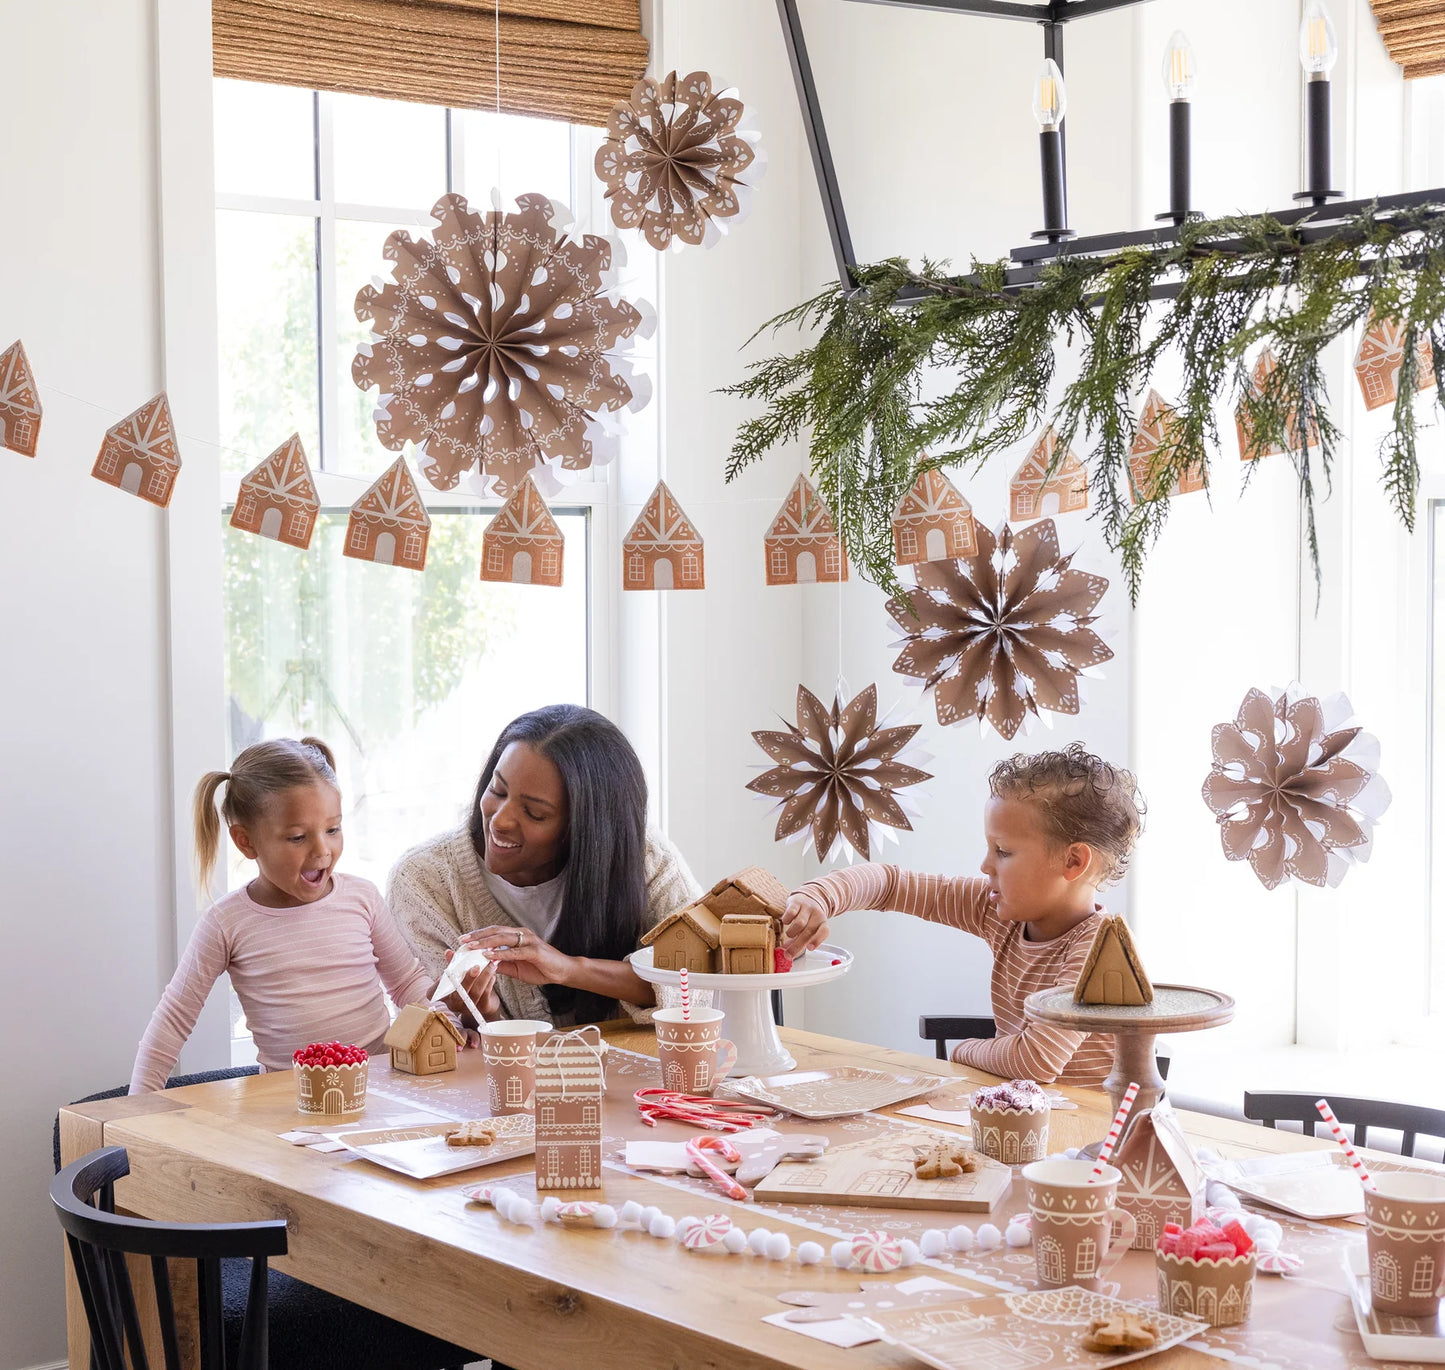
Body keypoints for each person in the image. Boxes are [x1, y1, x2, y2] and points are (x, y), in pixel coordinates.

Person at [782, 743, 1145, 1086]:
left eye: (1003, 851)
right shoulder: (999, 911)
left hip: (1086, 1133)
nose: (986, 865)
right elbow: (889, 884)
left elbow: (1035, 1061)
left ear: (1073, 861)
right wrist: (820, 897)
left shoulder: (1098, 950)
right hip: (1024, 1114)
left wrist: (962, 1050)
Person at [130, 737, 436, 1094]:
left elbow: (405, 983)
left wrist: (441, 1018)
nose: (322, 850)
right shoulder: (226, 923)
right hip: (287, 1104)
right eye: (297, 837)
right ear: (246, 842)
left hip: (379, 1091)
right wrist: (137, 1109)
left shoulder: (362, 897)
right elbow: (173, 1021)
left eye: (333, 829)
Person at [387, 704, 700, 1029]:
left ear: (586, 829)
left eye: (534, 813)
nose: (501, 820)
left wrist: (568, 968)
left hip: (639, 1073)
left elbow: (701, 984)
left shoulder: (644, 856)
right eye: (497, 790)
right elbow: (435, 1029)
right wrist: (484, 1016)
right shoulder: (423, 881)